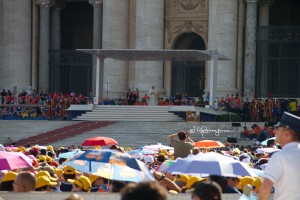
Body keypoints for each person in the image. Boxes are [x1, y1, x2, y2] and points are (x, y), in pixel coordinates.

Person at [259, 112, 300, 200]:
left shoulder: (280, 157)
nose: (274, 131)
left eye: (277, 128)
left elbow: (265, 190)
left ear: (287, 133)